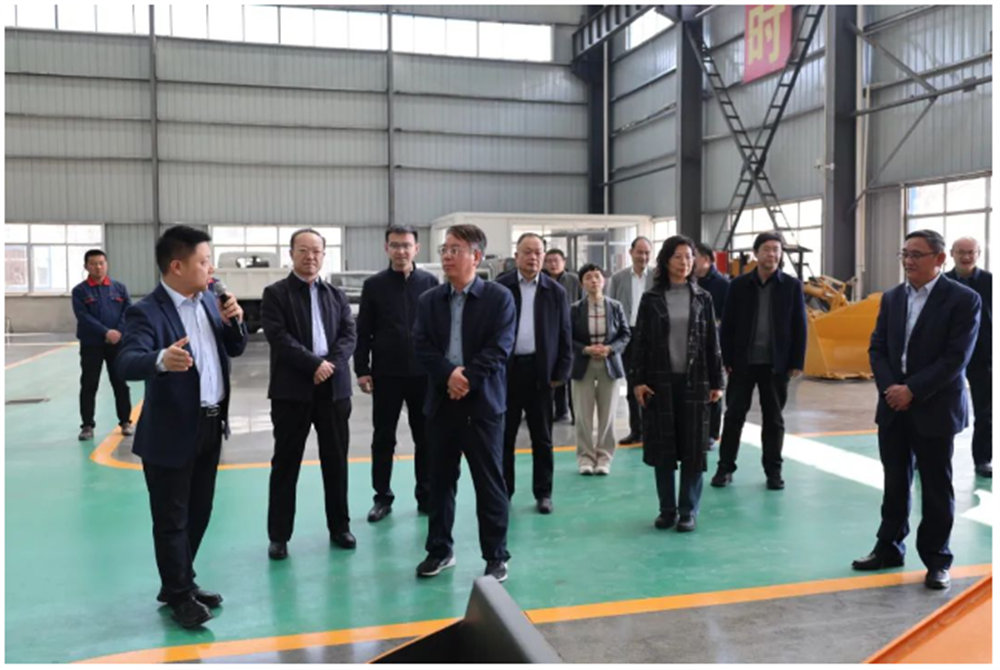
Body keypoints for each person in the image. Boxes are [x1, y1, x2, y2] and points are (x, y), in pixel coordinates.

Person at [115, 225, 248, 628]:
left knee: (200, 511)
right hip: (171, 433)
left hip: (210, 424)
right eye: (204, 261)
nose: (211, 269)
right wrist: (160, 359)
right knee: (172, 518)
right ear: (177, 266)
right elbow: (126, 362)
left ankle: (180, 581)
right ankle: (179, 595)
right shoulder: (146, 311)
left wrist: (235, 322)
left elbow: (235, 348)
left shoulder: (208, 300)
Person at [852, 229, 981, 590]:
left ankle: (937, 559)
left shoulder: (963, 300)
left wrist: (913, 390)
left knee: (936, 487)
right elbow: (877, 348)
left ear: (939, 259)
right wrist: (892, 389)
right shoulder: (893, 298)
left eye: (916, 255)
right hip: (893, 406)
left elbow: (956, 357)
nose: (908, 261)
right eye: (905, 254)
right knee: (894, 482)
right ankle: (889, 548)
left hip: (935, 406)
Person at [413, 224, 515, 582]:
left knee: (489, 483)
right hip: (442, 403)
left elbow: (500, 348)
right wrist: (449, 376)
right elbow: (421, 345)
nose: (447, 256)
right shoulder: (429, 301)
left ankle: (496, 556)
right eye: (445, 249)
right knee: (440, 481)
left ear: (476, 256)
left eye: (455, 249)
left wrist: (466, 379)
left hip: (483, 405)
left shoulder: (499, 298)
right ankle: (440, 550)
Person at [262, 228, 357, 561]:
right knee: (286, 464)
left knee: (336, 461)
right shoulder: (275, 294)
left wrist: (329, 366)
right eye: (303, 250)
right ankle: (279, 536)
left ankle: (340, 527)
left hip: (334, 392)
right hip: (292, 392)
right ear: (291, 254)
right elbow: (278, 336)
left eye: (316, 251)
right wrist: (313, 364)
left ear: (323, 255)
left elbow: (349, 335)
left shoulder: (336, 295)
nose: (310, 256)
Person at [632, 236, 723, 532]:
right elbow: (640, 342)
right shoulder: (651, 299)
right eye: (678, 257)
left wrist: (717, 382)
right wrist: (638, 381)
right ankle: (667, 509)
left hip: (695, 382)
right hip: (660, 382)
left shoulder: (703, 298)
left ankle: (688, 511)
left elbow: (712, 343)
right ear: (666, 260)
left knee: (694, 449)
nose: (684, 262)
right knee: (664, 448)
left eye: (689, 257)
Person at [354, 225, 439, 522]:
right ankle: (382, 497)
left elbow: (438, 329)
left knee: (425, 437)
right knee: (383, 438)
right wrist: (362, 369)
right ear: (386, 248)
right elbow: (363, 330)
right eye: (395, 245)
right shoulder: (374, 285)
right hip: (386, 374)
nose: (401, 251)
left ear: (417, 248)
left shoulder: (430, 283)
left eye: (406, 245)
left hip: (423, 375)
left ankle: (426, 495)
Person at [711, 231, 806, 490]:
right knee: (734, 417)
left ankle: (774, 472)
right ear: (756, 253)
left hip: (777, 365)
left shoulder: (791, 286)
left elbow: (800, 325)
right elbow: (727, 325)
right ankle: (725, 468)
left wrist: (796, 361)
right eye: (767, 249)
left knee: (774, 420)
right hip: (742, 362)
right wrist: (726, 358)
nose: (772, 254)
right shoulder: (739, 285)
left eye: (776, 250)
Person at [496, 233, 572, 515]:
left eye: (538, 252)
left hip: (542, 374)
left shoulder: (555, 291)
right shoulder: (501, 287)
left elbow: (565, 334)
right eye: (527, 252)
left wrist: (561, 371)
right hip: (507, 373)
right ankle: (504, 491)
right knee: (504, 437)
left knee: (542, 437)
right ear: (516, 256)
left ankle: (544, 493)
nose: (533, 257)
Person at [569, 263, 630, 475]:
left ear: (604, 281)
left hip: (609, 363)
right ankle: (585, 458)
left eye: (597, 276)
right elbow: (567, 337)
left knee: (608, 415)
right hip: (582, 364)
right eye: (588, 277)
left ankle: (604, 458)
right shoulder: (575, 309)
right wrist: (585, 349)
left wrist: (610, 349)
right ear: (582, 284)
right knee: (583, 416)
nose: (593, 281)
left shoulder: (615, 307)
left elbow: (625, 334)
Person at [71, 249, 133, 441]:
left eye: (101, 263)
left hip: (117, 344)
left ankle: (125, 421)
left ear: (106, 264)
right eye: (93, 264)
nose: (98, 267)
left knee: (120, 382)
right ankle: (87, 425)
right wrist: (106, 332)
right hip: (92, 344)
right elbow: (83, 317)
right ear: (86, 266)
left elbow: (128, 311)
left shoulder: (119, 288)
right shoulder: (80, 291)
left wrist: (119, 332)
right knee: (89, 384)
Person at [945, 236, 992, 478]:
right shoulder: (942, 283)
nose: (966, 256)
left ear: (978, 254)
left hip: (983, 356)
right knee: (941, 408)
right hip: (948, 355)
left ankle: (983, 459)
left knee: (986, 411)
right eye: (961, 252)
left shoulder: (991, 283)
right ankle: (932, 456)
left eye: (971, 252)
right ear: (951, 254)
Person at [608, 237, 654, 445]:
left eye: (647, 253)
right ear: (631, 252)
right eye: (639, 252)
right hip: (628, 335)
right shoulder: (618, 278)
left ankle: (653, 430)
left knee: (653, 384)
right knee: (632, 383)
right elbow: (611, 308)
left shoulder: (657, 277)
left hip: (652, 335)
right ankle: (636, 430)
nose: (643, 257)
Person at [694, 242, 730, 449]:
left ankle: (712, 433)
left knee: (714, 389)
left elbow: (730, 318)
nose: (690, 261)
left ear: (707, 259)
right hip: (692, 346)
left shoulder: (722, 285)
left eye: (694, 256)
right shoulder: (690, 282)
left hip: (715, 346)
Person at [544, 248, 581, 423]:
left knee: (571, 374)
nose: (553, 264)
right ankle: (559, 411)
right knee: (554, 373)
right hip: (549, 333)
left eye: (556, 260)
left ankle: (575, 414)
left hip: (570, 332)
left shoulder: (574, 280)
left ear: (563, 262)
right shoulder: (541, 280)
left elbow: (582, 302)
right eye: (549, 261)